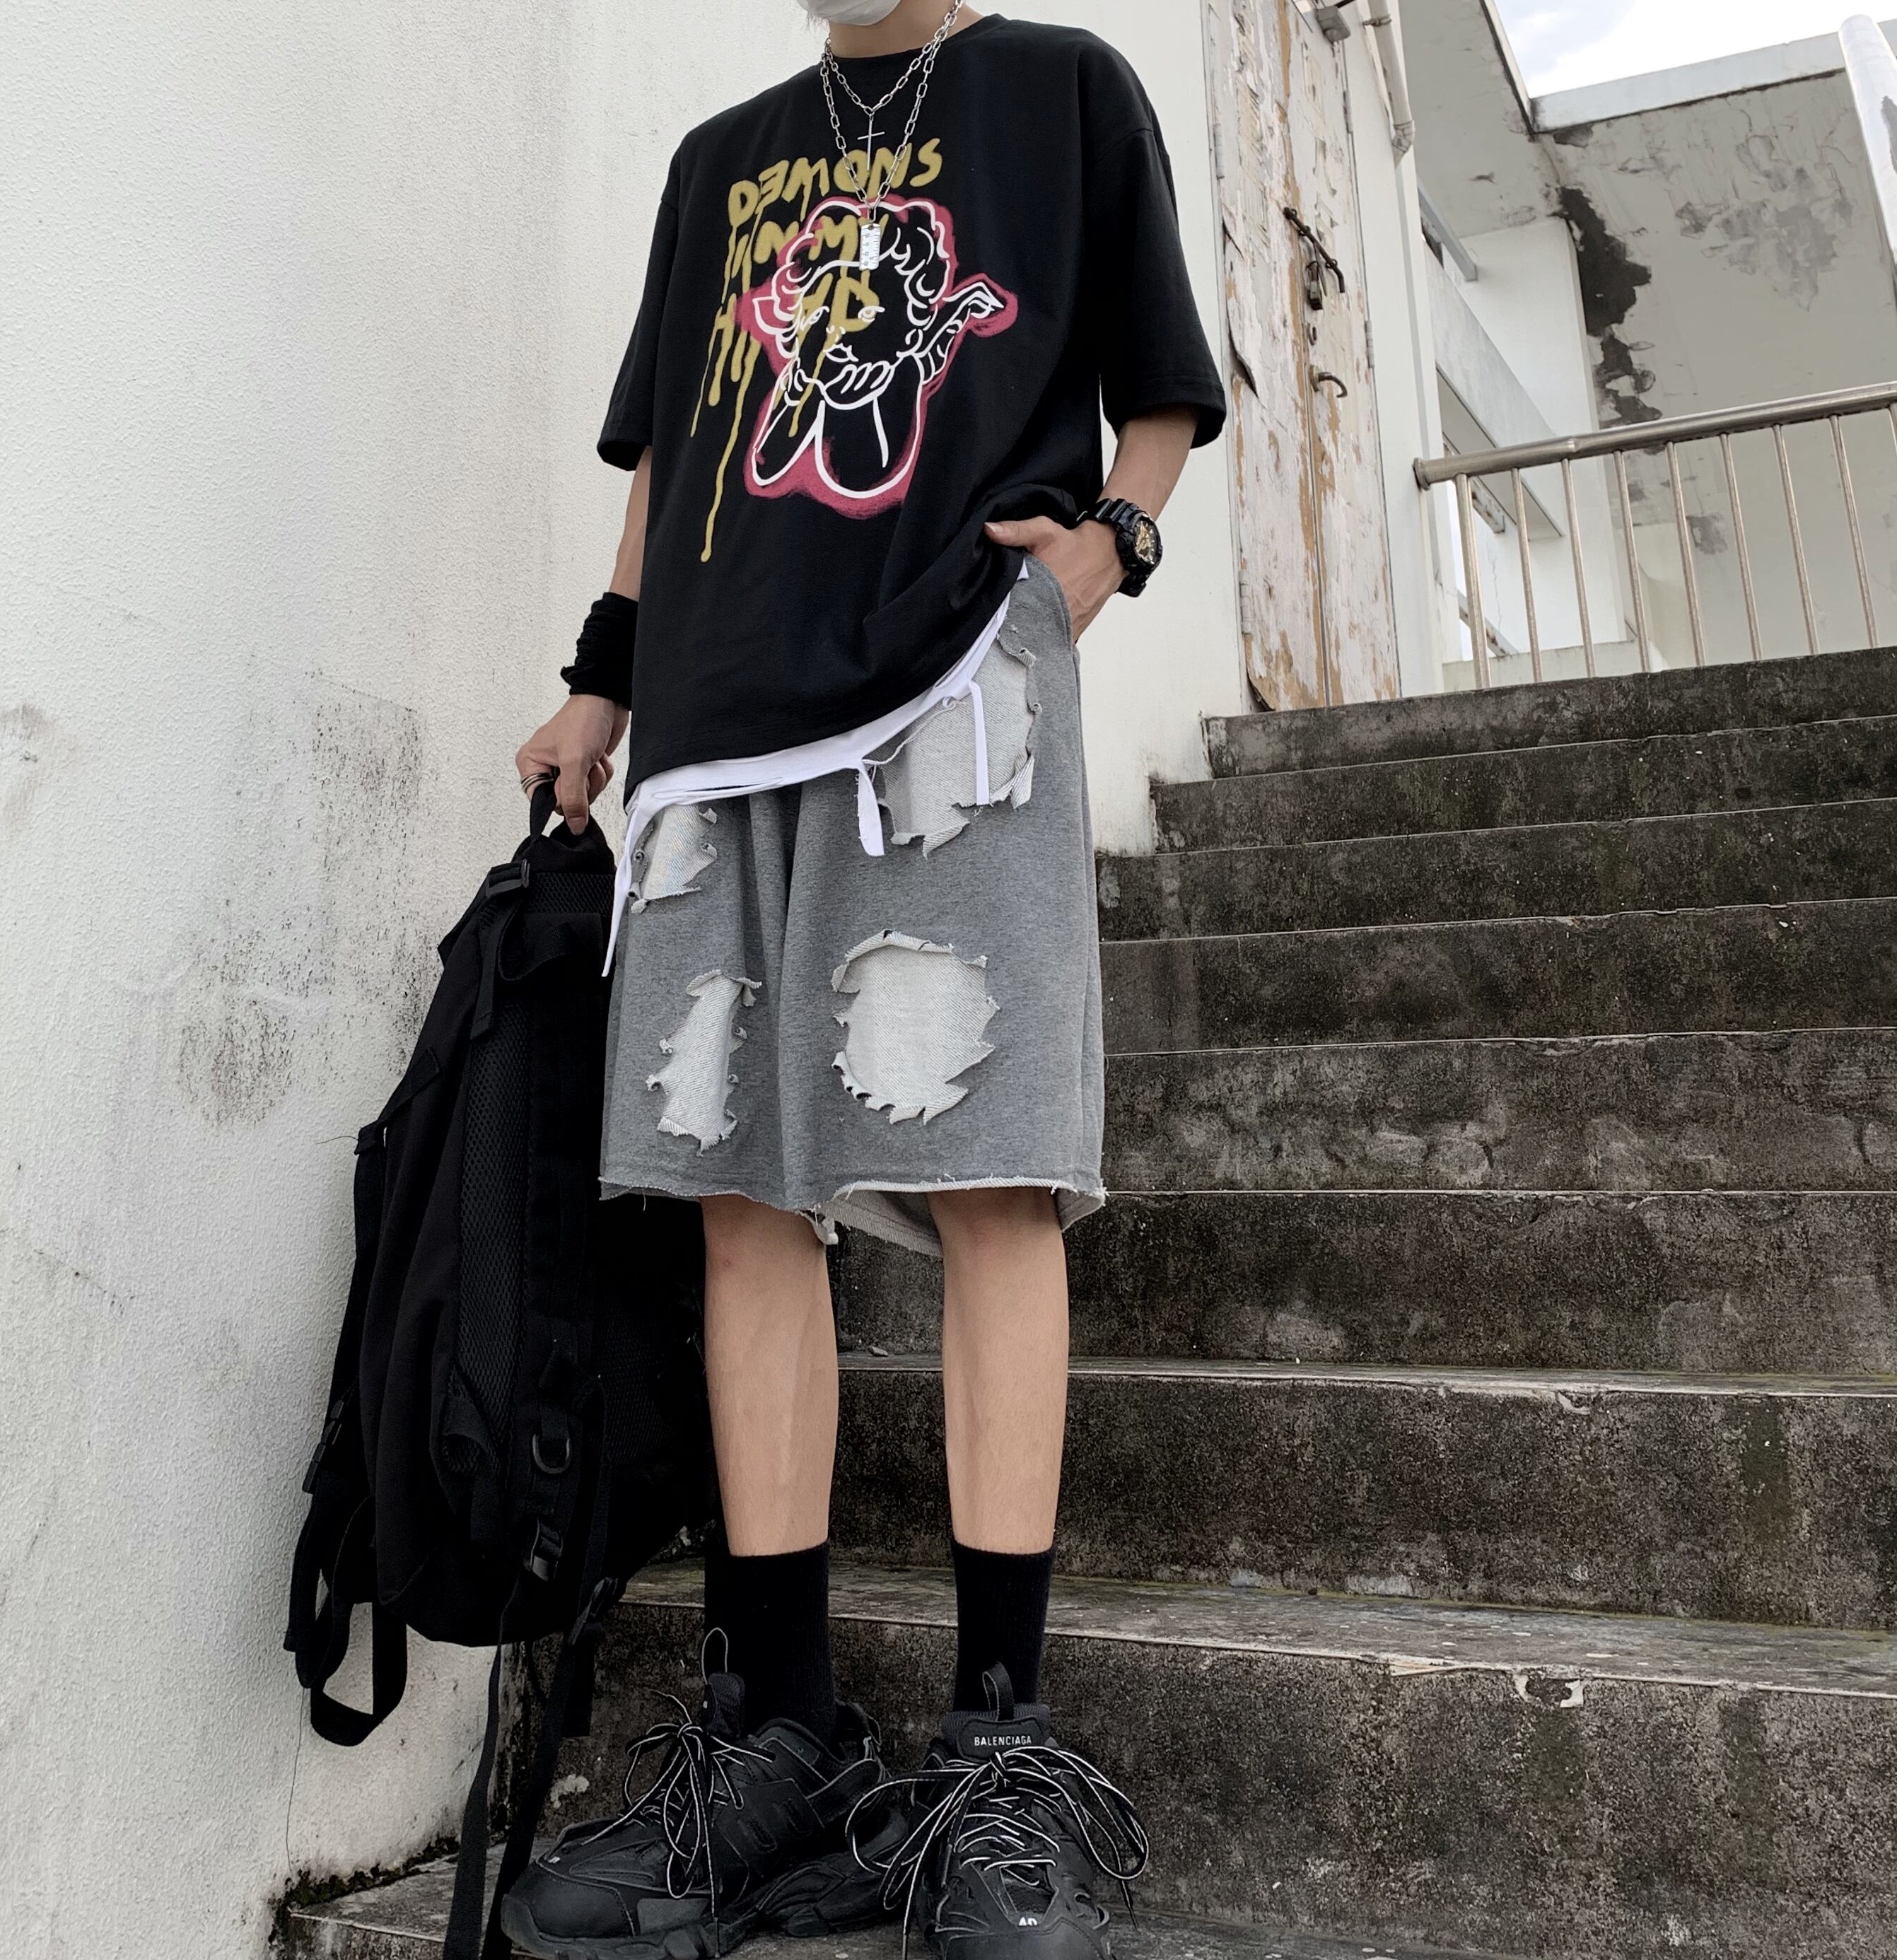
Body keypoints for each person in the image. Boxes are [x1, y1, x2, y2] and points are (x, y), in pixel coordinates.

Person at [505, 2, 1224, 1954]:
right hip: (715, 725)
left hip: (953, 694)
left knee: (990, 1173)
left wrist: (1113, 544)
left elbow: (1163, 383)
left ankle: (999, 1741)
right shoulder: (718, 161)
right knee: (740, 1198)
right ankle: (780, 1725)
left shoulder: (1062, 90)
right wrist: (600, 681)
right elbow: (673, 453)